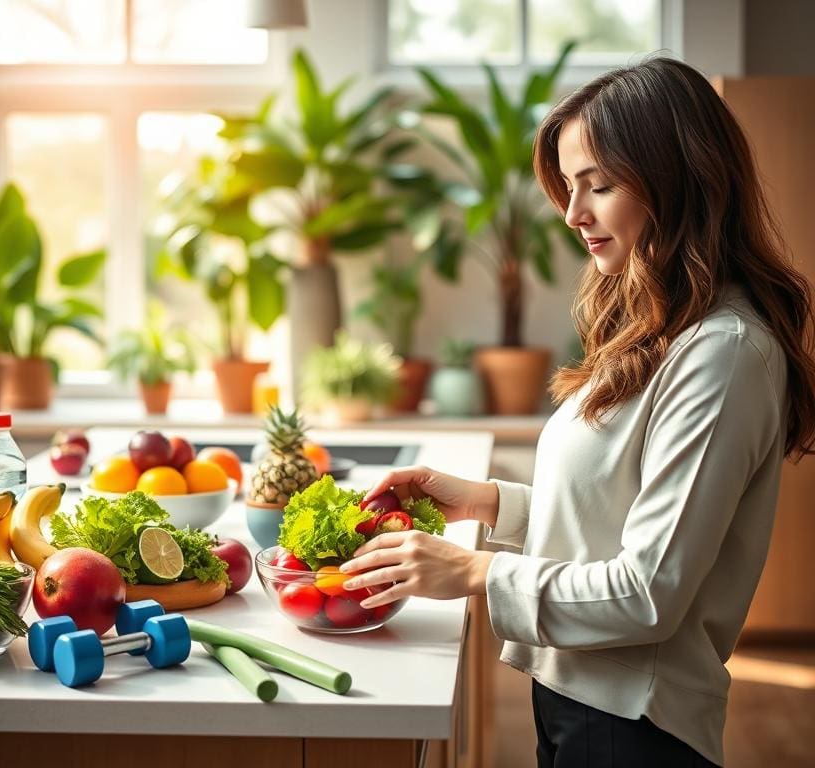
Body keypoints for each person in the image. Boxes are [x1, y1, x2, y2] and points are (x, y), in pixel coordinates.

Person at [339, 56, 815, 767]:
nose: (572, 214)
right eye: (569, 186)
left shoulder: (725, 354)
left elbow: (648, 592)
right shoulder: (663, 327)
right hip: (581, 696)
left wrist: (473, 574)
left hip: (637, 727)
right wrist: (489, 503)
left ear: (679, 182)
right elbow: (615, 514)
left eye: (601, 185)